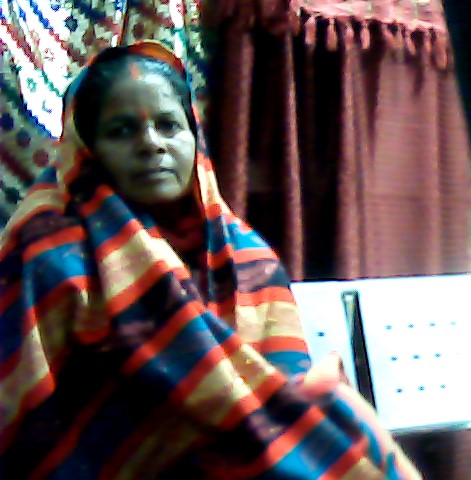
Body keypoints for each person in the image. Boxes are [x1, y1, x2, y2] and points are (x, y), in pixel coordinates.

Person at [0, 41, 421, 479]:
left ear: (194, 136)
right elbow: (20, 410)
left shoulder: (245, 256)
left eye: (168, 125)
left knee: (341, 417)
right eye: (121, 131)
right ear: (87, 148)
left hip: (247, 460)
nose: (151, 144)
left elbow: (278, 396)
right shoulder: (51, 251)